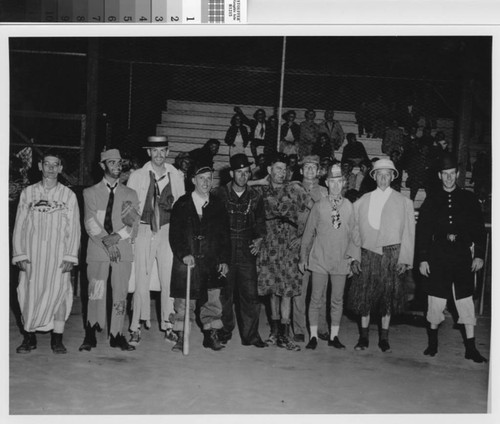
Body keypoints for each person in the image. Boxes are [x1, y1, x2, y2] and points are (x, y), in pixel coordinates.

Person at [417, 154, 487, 363]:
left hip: (462, 257)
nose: (448, 178)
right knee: (435, 302)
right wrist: (423, 259)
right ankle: (433, 344)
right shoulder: (431, 200)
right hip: (438, 257)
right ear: (439, 175)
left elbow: (479, 230)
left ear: (457, 174)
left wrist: (480, 255)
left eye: (452, 174)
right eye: (445, 174)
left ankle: (471, 348)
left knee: (465, 302)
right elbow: (422, 232)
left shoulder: (469, 199)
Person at [13, 151, 80, 354]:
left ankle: (57, 339)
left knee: (59, 294)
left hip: (58, 257)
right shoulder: (28, 193)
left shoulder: (68, 196)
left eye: (55, 164)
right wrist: (19, 254)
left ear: (60, 168)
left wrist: (70, 256)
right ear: (40, 166)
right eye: (47, 164)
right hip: (32, 256)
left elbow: (74, 228)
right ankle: (29, 338)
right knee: (27, 295)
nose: (51, 168)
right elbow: (19, 226)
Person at [348, 159, 415, 352]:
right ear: (374, 176)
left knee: (388, 299)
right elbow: (354, 232)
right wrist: (354, 257)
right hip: (367, 254)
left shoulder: (405, 203)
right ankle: (363, 338)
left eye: (387, 174)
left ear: (393, 177)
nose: (383, 178)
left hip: (392, 255)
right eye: (380, 174)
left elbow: (409, 234)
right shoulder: (361, 202)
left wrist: (404, 259)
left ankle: (384, 339)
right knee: (365, 298)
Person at [127, 136, 185, 345]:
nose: (159, 155)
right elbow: (130, 206)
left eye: (162, 151)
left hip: (168, 231)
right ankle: (135, 327)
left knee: (168, 279)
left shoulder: (176, 175)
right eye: (155, 151)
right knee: (141, 279)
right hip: (143, 229)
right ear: (148, 153)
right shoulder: (137, 175)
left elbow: (182, 205)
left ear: (167, 152)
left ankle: (168, 325)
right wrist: (130, 234)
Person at [80, 149, 140, 352]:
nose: (116, 166)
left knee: (121, 294)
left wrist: (116, 239)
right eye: (111, 162)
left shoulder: (130, 194)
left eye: (119, 162)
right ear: (102, 165)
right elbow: (91, 222)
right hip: (98, 250)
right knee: (95, 291)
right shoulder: (90, 193)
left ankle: (116, 334)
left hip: (122, 251)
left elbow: (132, 223)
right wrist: (108, 242)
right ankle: (91, 332)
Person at [169, 165, 231, 351]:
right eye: (201, 178)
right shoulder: (182, 204)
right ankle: (181, 336)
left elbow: (224, 236)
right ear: (193, 180)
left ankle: (211, 334)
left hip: (211, 260)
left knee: (212, 299)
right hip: (187, 261)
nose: (205, 182)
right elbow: (175, 235)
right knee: (184, 301)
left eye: (209, 178)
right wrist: (183, 254)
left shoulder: (218, 205)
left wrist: (224, 259)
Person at [255, 153, 309, 351]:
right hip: (269, 245)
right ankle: (274, 332)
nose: (282, 172)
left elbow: (312, 211)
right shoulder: (261, 190)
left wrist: (302, 237)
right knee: (272, 292)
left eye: (284, 169)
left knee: (286, 291)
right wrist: (259, 180)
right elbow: (236, 185)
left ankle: (285, 336)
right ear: (269, 170)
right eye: (277, 168)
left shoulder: (295, 189)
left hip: (288, 245)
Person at [299, 164, 356, 350]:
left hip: (340, 260)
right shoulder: (319, 205)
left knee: (337, 300)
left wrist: (354, 259)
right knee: (315, 298)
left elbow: (355, 236)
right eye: (332, 182)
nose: (336, 186)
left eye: (339, 182)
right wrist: (302, 257)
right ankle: (313, 336)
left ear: (344, 183)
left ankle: (334, 336)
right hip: (320, 259)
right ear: (327, 183)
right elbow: (308, 234)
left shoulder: (348, 206)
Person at [215, 154, 268, 348]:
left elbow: (261, 223)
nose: (243, 176)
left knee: (250, 295)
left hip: (246, 251)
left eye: (246, 173)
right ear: (231, 173)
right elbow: (213, 226)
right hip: (225, 251)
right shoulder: (219, 194)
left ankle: (251, 336)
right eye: (239, 172)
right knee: (224, 294)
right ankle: (224, 331)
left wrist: (260, 239)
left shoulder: (255, 197)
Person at [292, 155, 328, 343]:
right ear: (301, 170)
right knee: (300, 288)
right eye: (307, 167)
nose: (310, 171)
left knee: (320, 289)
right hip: (300, 244)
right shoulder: (293, 189)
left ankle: (321, 326)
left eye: (314, 167)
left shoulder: (325, 191)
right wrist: (296, 237)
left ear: (319, 171)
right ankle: (298, 328)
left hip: (320, 244)